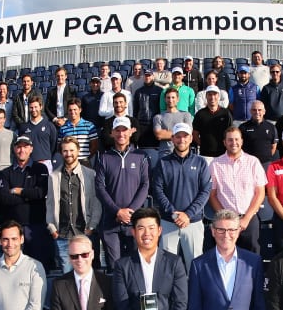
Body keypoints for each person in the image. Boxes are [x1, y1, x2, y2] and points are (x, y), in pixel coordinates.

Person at [151, 123, 211, 271]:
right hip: (168, 222)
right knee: (166, 268)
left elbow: (205, 191)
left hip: (193, 223)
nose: (181, 140)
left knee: (195, 268)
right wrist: (173, 213)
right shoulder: (163, 163)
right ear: (172, 139)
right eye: (178, 136)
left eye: (185, 136)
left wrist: (188, 215)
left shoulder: (201, 162)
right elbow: (157, 190)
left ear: (191, 138)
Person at [95, 117, 150, 266]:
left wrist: (130, 211)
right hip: (111, 222)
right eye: (117, 130)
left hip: (134, 221)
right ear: (112, 133)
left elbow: (145, 185)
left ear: (131, 132)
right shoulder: (104, 158)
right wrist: (117, 211)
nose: (121, 134)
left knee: (135, 266)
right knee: (115, 268)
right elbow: (99, 187)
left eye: (124, 130)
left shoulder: (141, 156)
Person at [0, 136, 53, 270]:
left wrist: (19, 191)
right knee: (15, 268)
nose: (22, 150)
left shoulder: (40, 169)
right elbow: (4, 198)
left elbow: (41, 193)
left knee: (38, 267)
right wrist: (29, 195)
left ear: (31, 149)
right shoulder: (6, 173)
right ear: (14, 149)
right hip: (14, 227)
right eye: (19, 146)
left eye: (25, 146)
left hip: (36, 226)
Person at [209, 127, 267, 254]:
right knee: (225, 255)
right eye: (230, 140)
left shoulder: (253, 162)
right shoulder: (215, 164)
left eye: (236, 139)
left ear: (241, 141)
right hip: (225, 223)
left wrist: (246, 218)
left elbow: (260, 192)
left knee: (252, 258)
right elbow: (212, 195)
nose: (233, 143)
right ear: (224, 142)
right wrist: (225, 218)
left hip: (249, 219)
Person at [47, 137, 100, 274]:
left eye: (71, 150)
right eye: (65, 151)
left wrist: (92, 226)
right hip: (63, 234)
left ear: (78, 150)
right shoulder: (54, 176)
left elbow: (96, 202)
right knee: (67, 277)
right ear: (61, 152)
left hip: (84, 232)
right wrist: (52, 228)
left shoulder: (90, 174)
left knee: (87, 275)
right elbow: (50, 203)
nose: (68, 154)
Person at [193, 85, 234, 158]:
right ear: (206, 96)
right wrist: (203, 144)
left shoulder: (226, 113)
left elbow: (231, 132)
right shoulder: (200, 114)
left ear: (218, 96)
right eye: (210, 94)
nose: (212, 97)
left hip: (223, 155)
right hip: (205, 154)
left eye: (214, 94)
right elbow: (195, 134)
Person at [152, 87, 193, 157]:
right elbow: (159, 135)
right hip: (164, 155)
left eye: (173, 97)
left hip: (183, 155)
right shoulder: (158, 117)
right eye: (168, 98)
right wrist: (180, 132)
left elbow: (188, 134)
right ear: (165, 99)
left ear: (178, 99)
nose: (170, 100)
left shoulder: (186, 115)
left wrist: (166, 133)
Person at [18, 95, 57, 166]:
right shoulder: (23, 127)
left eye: (36, 107)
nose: (33, 110)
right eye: (31, 107)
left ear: (41, 107)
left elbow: (53, 145)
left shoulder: (49, 125)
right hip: (29, 163)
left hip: (45, 163)